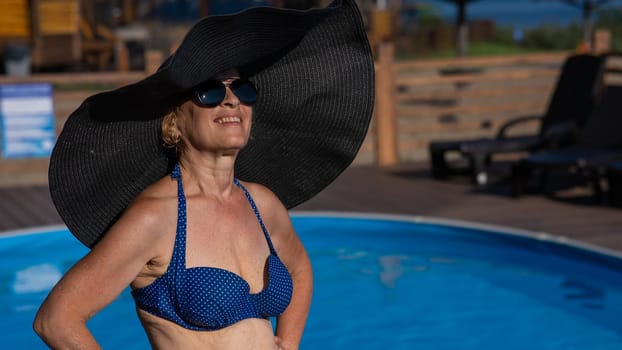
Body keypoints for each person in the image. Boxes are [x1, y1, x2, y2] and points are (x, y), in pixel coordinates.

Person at [33, 0, 374, 349]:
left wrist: (288, 343)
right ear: (174, 122)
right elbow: (57, 319)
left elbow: (300, 269)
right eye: (209, 91)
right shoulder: (156, 216)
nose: (231, 100)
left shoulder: (262, 204)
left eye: (242, 88)